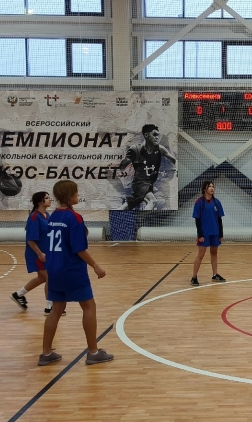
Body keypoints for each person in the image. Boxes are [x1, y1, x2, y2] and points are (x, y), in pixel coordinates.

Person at [38, 180, 113, 366]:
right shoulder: (75, 218)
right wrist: (95, 265)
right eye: (76, 193)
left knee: (56, 309)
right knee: (89, 307)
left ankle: (46, 353)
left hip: (54, 270)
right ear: (70, 196)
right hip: (72, 270)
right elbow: (79, 249)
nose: (78, 196)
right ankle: (93, 352)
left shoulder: (52, 218)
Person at [11, 191, 64, 317]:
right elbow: (30, 239)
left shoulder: (47, 215)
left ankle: (18, 295)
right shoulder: (34, 217)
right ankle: (50, 307)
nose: (50, 200)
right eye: (47, 198)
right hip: (37, 255)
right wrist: (40, 254)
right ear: (40, 201)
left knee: (42, 278)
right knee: (50, 278)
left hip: (47, 254)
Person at [117, 124, 176, 210]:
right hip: (138, 184)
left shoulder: (160, 148)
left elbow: (171, 165)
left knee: (152, 202)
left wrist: (161, 180)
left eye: (157, 135)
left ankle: (118, 212)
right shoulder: (134, 148)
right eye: (154, 135)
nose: (156, 137)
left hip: (154, 185)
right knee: (152, 201)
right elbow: (123, 165)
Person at [190, 180, 226, 286]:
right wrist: (200, 234)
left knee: (214, 253)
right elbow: (197, 219)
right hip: (204, 233)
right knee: (200, 255)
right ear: (205, 189)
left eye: (213, 186)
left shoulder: (216, 202)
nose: (212, 188)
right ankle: (194, 277)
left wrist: (221, 234)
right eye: (209, 186)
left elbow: (219, 219)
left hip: (215, 232)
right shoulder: (199, 202)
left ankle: (215, 275)